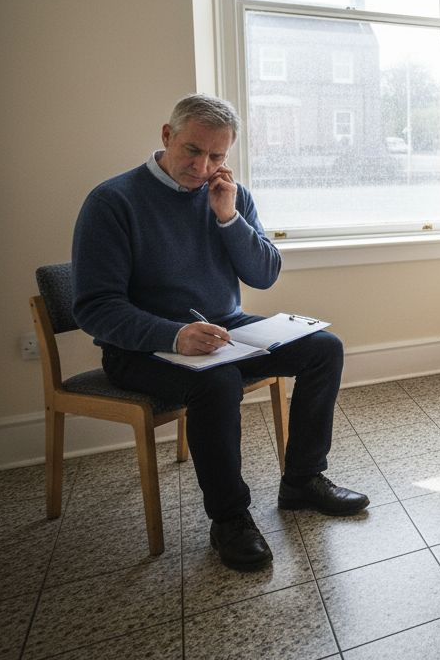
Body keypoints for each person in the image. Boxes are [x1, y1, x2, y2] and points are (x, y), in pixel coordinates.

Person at [72, 94, 369, 571]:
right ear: (167, 136)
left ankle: (302, 481)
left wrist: (228, 217)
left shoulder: (230, 194)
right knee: (215, 380)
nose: (202, 166)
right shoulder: (113, 201)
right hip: (140, 347)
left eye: (217, 156)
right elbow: (94, 307)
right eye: (193, 150)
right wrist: (174, 335)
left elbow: (265, 273)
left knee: (323, 349)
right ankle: (229, 519)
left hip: (224, 330)